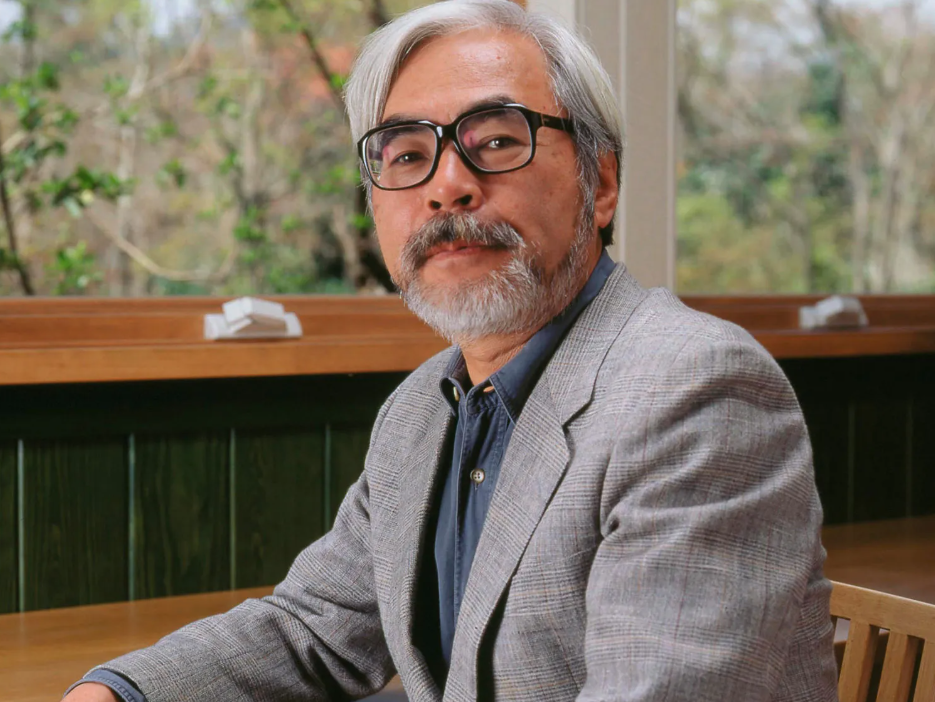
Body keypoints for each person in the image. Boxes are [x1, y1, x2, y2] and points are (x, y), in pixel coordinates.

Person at [64, 1, 839, 700]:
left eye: (496, 141)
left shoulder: (695, 389)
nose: (446, 187)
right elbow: (314, 628)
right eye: (405, 156)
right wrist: (118, 693)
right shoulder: (423, 408)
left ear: (599, 184)